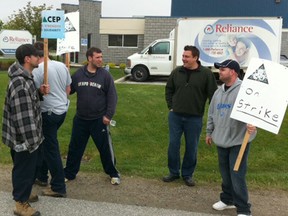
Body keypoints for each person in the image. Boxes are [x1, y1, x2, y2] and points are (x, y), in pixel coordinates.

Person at [2, 44, 49, 216]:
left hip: (29, 136)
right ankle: (21, 205)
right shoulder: (20, 83)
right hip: (24, 139)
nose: (39, 58)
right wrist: (32, 143)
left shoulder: (26, 78)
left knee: (30, 167)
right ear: (27, 59)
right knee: (24, 170)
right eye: (36, 56)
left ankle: (25, 192)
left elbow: (28, 101)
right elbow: (24, 117)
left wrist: (38, 93)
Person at [205, 59, 257, 216]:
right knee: (225, 173)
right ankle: (227, 199)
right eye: (219, 69)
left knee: (236, 175)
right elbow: (212, 114)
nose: (219, 71)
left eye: (223, 69)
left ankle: (243, 208)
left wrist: (253, 125)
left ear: (233, 72)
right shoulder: (218, 92)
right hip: (221, 139)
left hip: (238, 141)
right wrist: (209, 132)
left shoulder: (245, 90)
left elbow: (254, 112)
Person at [64, 47, 120, 185]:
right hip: (81, 119)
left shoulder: (105, 76)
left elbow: (112, 97)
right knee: (75, 148)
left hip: (99, 120)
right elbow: (70, 91)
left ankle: (113, 173)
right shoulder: (78, 74)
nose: (101, 60)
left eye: (101, 57)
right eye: (98, 57)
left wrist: (108, 115)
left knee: (105, 148)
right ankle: (70, 173)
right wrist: (64, 85)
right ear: (90, 58)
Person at [164, 45, 218, 186]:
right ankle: (173, 172)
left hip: (194, 118)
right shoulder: (177, 72)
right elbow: (169, 90)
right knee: (173, 145)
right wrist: (171, 106)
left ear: (195, 58)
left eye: (187, 56)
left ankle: (187, 174)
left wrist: (214, 115)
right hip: (175, 117)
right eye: (183, 56)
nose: (184, 59)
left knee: (191, 147)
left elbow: (213, 95)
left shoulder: (206, 74)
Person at [32, 41, 72, 198]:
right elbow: (68, 89)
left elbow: (32, 92)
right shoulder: (61, 65)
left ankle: (58, 186)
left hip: (48, 112)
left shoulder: (39, 70)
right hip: (61, 110)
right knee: (44, 144)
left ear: (36, 55)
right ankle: (41, 176)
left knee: (50, 149)